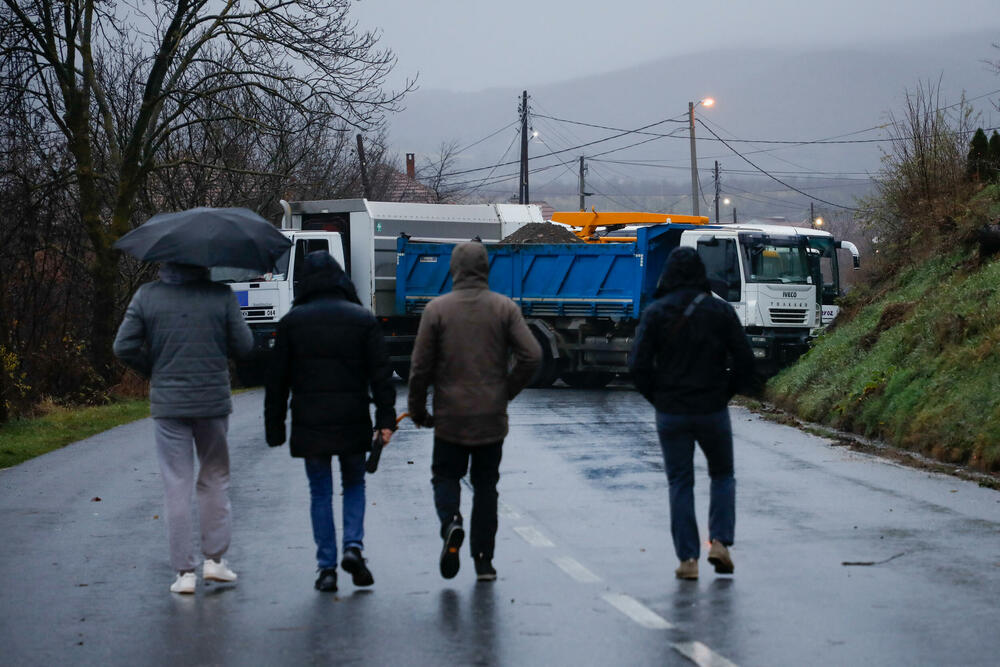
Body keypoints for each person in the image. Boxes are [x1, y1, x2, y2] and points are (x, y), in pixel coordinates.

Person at [113, 262, 253, 595]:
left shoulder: (147, 296)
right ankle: (215, 561)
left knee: (176, 484)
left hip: (169, 404)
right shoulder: (220, 296)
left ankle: (184, 573)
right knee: (215, 477)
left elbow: (123, 346)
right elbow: (245, 345)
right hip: (212, 402)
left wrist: (154, 369)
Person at [408, 241, 541, 582]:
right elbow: (532, 356)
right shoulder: (504, 309)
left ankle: (451, 521)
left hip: (450, 416)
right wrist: (505, 392)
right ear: (486, 268)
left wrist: (418, 409)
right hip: (490, 417)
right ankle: (484, 561)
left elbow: (420, 367)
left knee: (446, 476)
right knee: (486, 487)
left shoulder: (437, 310)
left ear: (453, 268)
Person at [265, 251, 395, 593]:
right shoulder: (362, 320)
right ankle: (353, 546)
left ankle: (326, 567)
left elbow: (277, 380)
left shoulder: (292, 323)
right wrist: (385, 420)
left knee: (319, 491)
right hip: (352, 416)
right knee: (354, 483)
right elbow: (381, 375)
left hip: (310, 420)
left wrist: (275, 426)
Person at [629, 247, 756, 581]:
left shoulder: (656, 312)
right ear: (701, 274)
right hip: (712, 409)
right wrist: (724, 393)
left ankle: (688, 560)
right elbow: (746, 362)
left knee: (680, 482)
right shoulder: (720, 311)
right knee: (722, 475)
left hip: (671, 412)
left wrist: (660, 399)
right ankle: (720, 544)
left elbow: (637, 366)